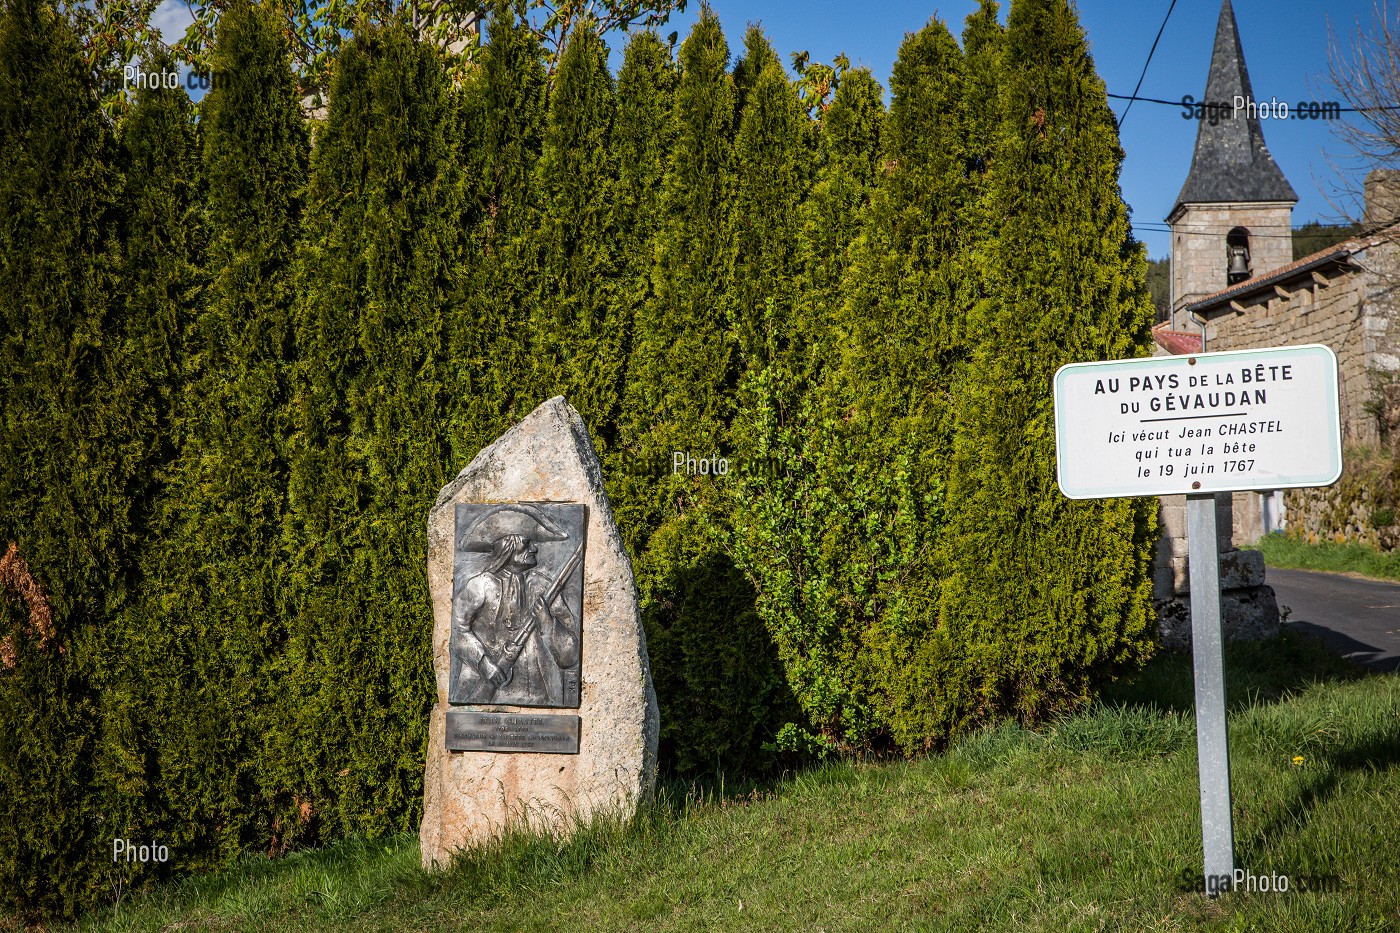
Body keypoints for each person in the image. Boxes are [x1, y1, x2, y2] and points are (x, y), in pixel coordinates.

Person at [451, 532, 579, 706]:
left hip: (540, 693)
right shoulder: (479, 585)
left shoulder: (544, 586)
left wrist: (547, 622)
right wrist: (484, 664)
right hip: (488, 685)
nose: (534, 548)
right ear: (507, 546)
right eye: (526, 543)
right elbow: (457, 630)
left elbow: (570, 656)